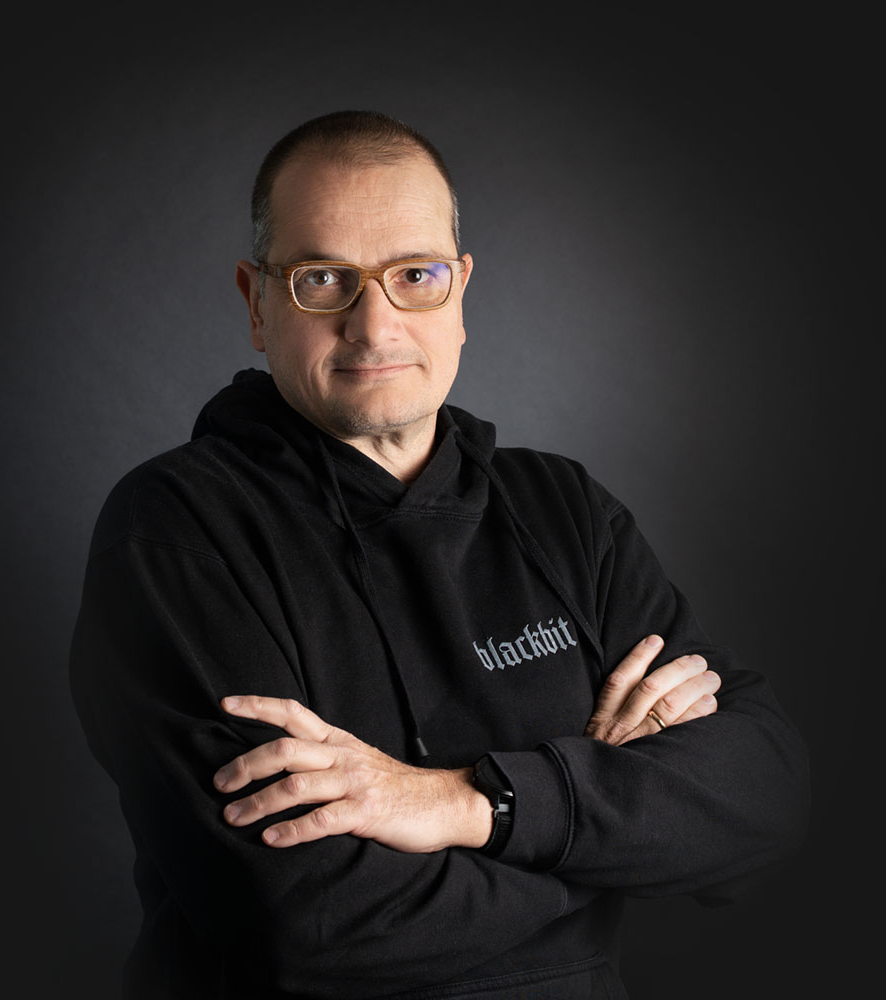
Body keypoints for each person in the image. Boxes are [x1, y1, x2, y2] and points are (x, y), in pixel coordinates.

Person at [70, 110, 809, 999]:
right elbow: (306, 921)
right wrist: (613, 837)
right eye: (322, 279)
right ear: (257, 302)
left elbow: (767, 800)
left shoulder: (565, 509)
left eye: (414, 275)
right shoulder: (178, 531)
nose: (373, 326)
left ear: (460, 290)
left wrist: (467, 803)